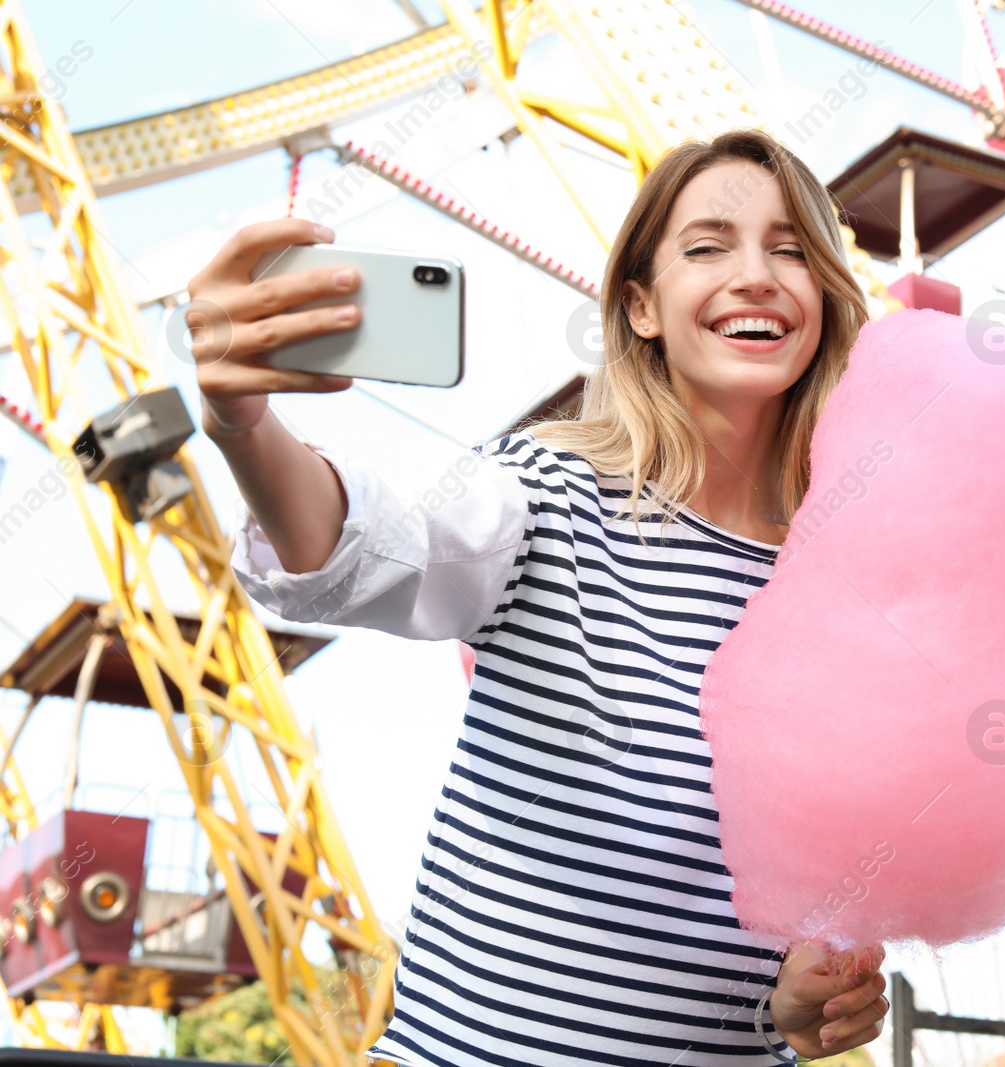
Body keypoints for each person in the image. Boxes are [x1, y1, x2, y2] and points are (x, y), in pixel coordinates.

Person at [188, 127, 890, 1065]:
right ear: (640, 306)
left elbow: (832, 887)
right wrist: (243, 426)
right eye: (708, 246)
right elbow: (377, 555)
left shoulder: (852, 576)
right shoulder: (547, 494)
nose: (756, 275)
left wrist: (809, 998)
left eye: (793, 251)